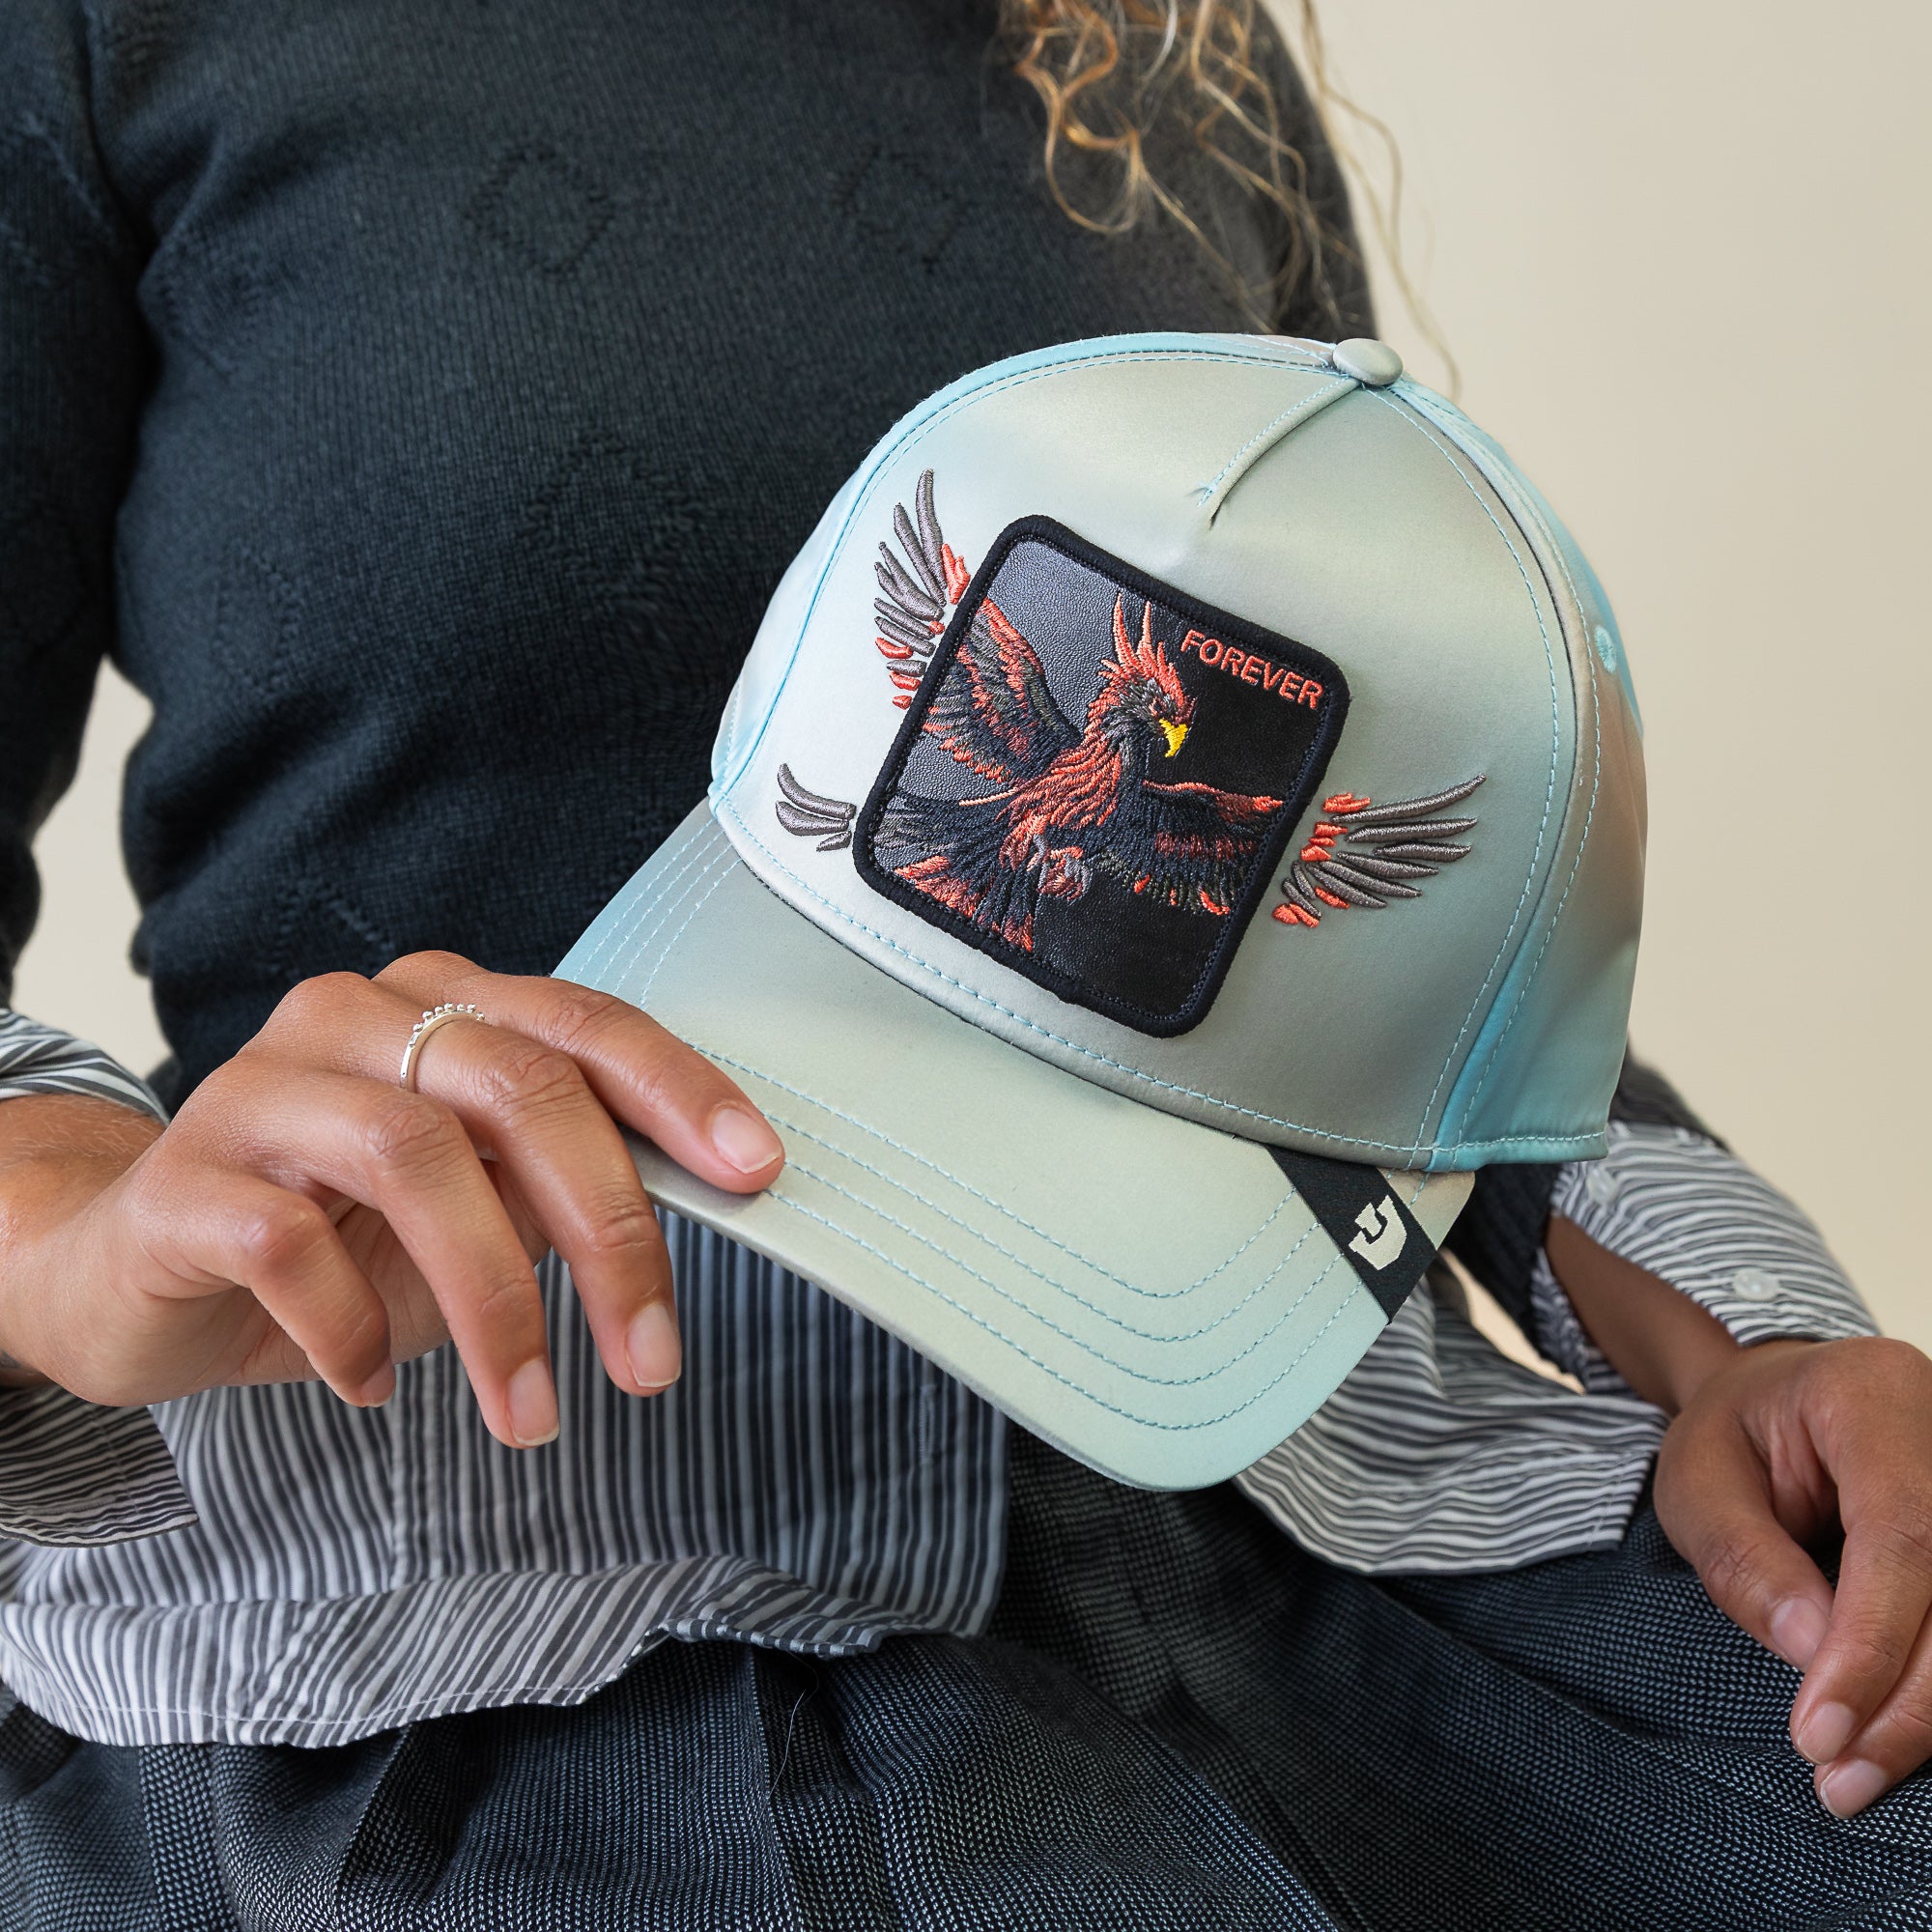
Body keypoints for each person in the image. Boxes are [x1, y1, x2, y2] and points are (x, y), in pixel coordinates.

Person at [0, 1, 1927, 1924]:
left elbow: (1385, 922)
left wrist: (1752, 1335)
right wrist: (72, 1224)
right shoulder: (114, 42)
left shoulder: (1170, 53)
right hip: (469, 1605)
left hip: (1281, 1527)